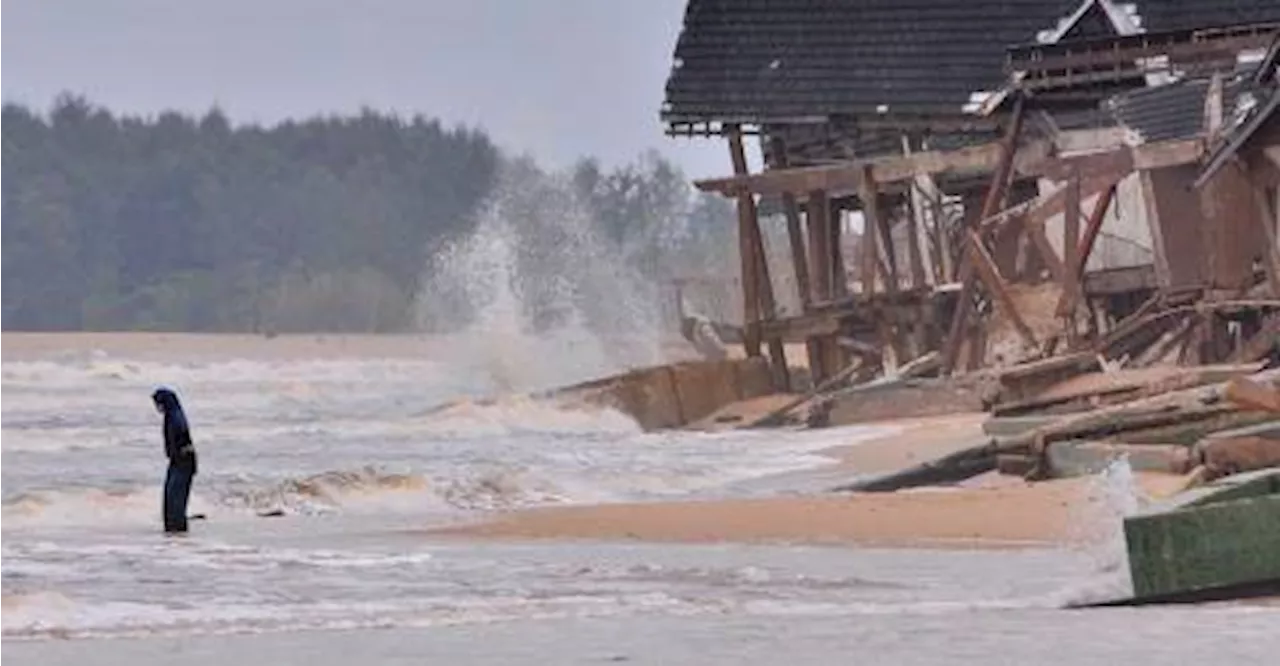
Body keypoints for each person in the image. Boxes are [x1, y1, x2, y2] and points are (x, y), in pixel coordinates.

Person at [152, 388, 198, 534]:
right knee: (170, 497)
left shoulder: (176, 418)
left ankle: (176, 529)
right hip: (177, 461)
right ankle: (173, 528)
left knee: (175, 498)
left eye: (159, 403)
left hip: (183, 461)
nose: (157, 407)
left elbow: (182, 437)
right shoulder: (171, 416)